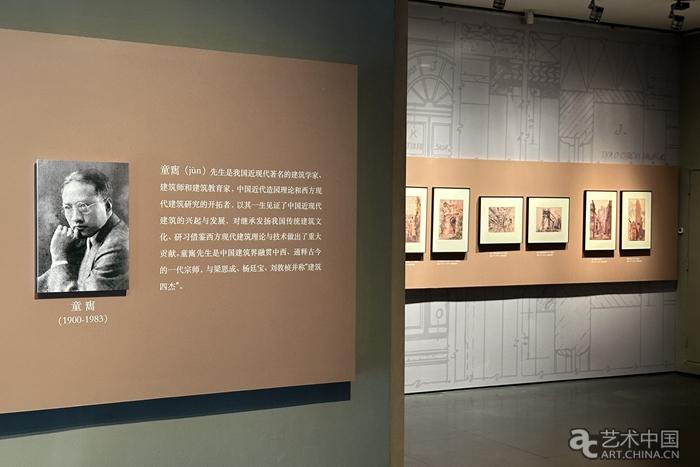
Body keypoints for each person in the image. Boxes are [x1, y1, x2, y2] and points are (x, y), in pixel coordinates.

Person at [37, 168, 129, 293]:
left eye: (83, 206)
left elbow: (74, 297)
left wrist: (59, 257)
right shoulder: (89, 236)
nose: (76, 218)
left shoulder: (117, 247)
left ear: (107, 206)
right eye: (68, 207)